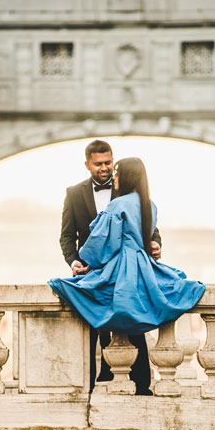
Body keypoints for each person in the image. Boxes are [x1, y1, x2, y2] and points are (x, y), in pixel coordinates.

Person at [50, 157, 205, 383]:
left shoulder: (117, 205)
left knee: (78, 292)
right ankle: (141, 381)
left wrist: (86, 262)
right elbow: (148, 235)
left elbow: (104, 244)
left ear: (127, 177)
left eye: (117, 173)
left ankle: (100, 377)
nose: (113, 177)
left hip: (122, 263)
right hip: (142, 265)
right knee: (136, 315)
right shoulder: (149, 204)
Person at [58, 140, 161, 394]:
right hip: (99, 269)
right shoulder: (74, 193)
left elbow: (150, 232)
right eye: (99, 164)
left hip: (116, 270)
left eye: (109, 163)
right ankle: (91, 383)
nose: (105, 169)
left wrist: (155, 243)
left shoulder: (122, 193)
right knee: (94, 328)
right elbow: (67, 236)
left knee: (130, 324)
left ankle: (140, 384)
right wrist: (75, 262)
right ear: (87, 164)